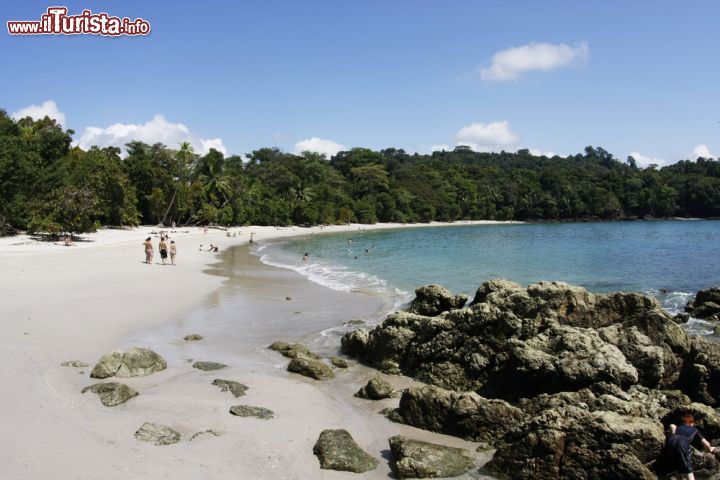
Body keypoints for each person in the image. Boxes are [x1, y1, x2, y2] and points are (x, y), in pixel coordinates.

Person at [664, 414, 716, 479]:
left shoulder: (678, 427)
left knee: (677, 466)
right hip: (682, 441)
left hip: (671, 440)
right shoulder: (694, 429)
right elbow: (706, 444)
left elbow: (672, 426)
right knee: (687, 467)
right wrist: (710, 448)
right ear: (692, 423)